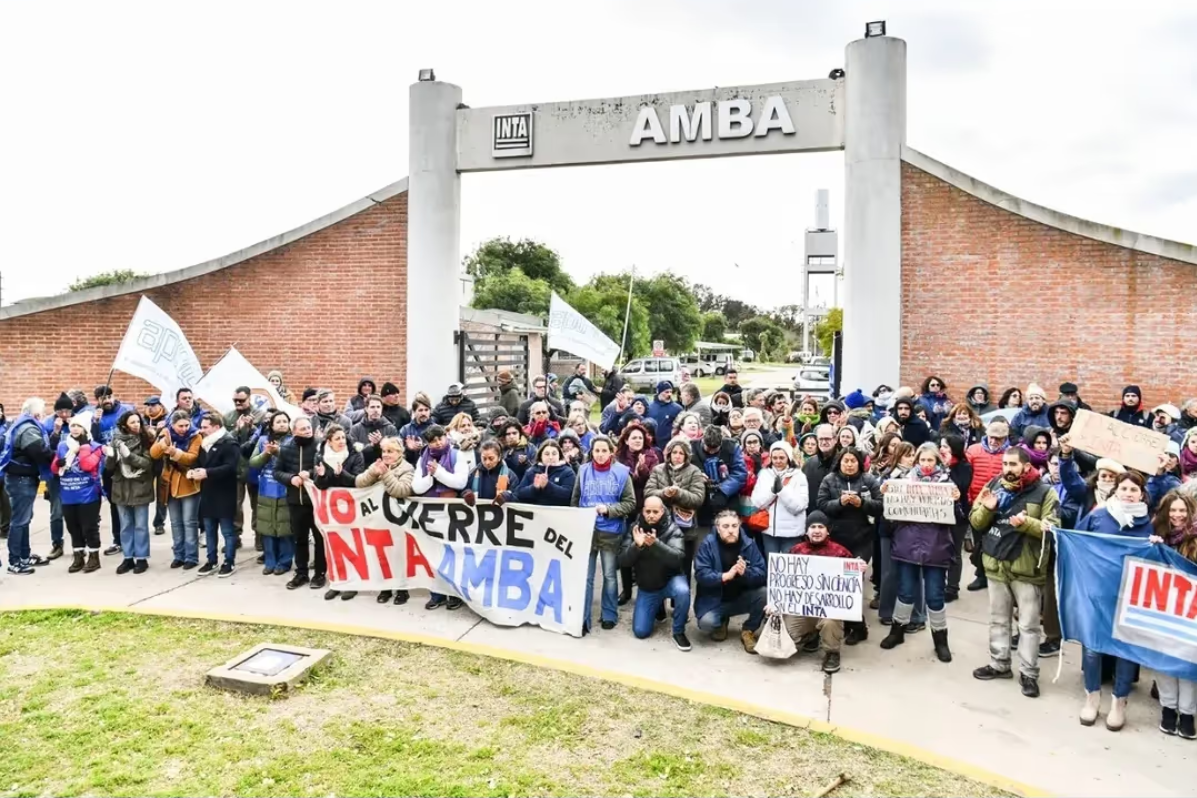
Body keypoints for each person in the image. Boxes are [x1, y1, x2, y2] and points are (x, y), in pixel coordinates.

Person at [970, 446, 1059, 699]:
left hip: (1026, 570)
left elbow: (1053, 528)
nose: (1007, 470)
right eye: (1005, 464)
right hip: (996, 564)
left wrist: (1027, 524)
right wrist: (987, 508)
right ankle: (999, 664)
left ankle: (1029, 673)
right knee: (998, 619)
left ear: (1026, 466)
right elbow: (975, 521)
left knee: (1029, 626)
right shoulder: (994, 484)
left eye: (1013, 465)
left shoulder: (1045, 492)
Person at [1073, 471, 1153, 730]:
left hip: (1131, 597)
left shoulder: (1148, 524)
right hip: (1098, 594)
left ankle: (1119, 701)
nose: (1128, 493)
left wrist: (1156, 546)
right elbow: (1077, 542)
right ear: (1115, 490)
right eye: (1124, 488)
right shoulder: (1098, 516)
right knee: (1093, 648)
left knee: (1125, 649)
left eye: (1134, 490)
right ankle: (1092, 697)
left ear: (1141, 494)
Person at [880, 443, 960, 662]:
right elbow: (889, 514)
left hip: (936, 548)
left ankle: (940, 640)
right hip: (908, 546)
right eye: (922, 460)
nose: (926, 465)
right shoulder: (903, 483)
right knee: (905, 591)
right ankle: (897, 631)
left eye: (930, 461)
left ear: (937, 462)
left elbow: (958, 517)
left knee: (935, 595)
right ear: (916, 462)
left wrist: (956, 500)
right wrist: (886, 494)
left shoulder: (947, 484)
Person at [818, 447, 883, 644]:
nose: (849, 464)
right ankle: (844, 623)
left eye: (852, 461)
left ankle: (858, 627)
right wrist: (839, 502)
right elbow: (821, 504)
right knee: (838, 583)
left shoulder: (869, 480)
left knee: (853, 582)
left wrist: (861, 503)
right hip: (837, 539)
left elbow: (881, 505)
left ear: (859, 463)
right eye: (845, 460)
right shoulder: (829, 479)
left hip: (862, 539)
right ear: (840, 462)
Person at [774, 510, 852, 673]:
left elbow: (852, 584)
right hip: (803, 607)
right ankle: (811, 635)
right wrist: (776, 602)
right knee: (787, 638)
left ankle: (832, 652)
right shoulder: (795, 551)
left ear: (828, 530)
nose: (816, 530)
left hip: (829, 608)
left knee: (830, 622)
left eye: (821, 527)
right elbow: (785, 581)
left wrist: (857, 570)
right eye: (813, 527)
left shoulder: (841, 552)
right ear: (806, 531)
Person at [573, 436, 636, 633]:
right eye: (596, 451)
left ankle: (609, 614)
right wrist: (578, 519)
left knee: (609, 575)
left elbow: (630, 503)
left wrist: (609, 510)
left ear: (611, 451)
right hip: (587, 530)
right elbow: (575, 499)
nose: (599, 455)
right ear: (591, 452)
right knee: (586, 576)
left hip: (610, 531)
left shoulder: (622, 473)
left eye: (603, 450)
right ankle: (582, 617)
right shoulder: (583, 471)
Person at [1151, 491, 1197, 739]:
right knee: (1164, 660)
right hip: (1160, 609)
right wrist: (1152, 549)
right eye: (1173, 510)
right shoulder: (1156, 537)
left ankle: (1188, 714)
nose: (1178, 515)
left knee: (1187, 662)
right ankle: (1168, 710)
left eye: (1182, 511)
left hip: (1190, 612)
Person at [618, 495, 691, 650]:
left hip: (670, 580)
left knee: (683, 591)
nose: (651, 515)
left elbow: (678, 559)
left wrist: (656, 545)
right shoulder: (634, 529)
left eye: (655, 512)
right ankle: (658, 605)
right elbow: (623, 561)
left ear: (663, 511)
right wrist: (636, 547)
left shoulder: (673, 529)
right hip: (648, 586)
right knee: (641, 632)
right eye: (648, 511)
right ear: (643, 511)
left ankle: (679, 631)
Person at [412, 425, 470, 610]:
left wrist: (439, 472)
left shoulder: (456, 455)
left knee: (453, 553)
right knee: (434, 553)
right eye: (433, 441)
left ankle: (454, 594)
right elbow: (417, 487)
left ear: (446, 437)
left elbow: (460, 482)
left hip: (451, 511)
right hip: (430, 510)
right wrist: (430, 476)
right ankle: (436, 593)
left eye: (440, 438)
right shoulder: (423, 458)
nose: (438, 443)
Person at [694, 510, 767, 653]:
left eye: (734, 526)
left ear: (739, 526)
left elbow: (762, 573)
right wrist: (724, 576)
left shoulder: (748, 544)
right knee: (706, 624)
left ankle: (748, 630)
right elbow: (701, 574)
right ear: (717, 528)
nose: (731, 530)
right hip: (716, 600)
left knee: (765, 593)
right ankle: (722, 620)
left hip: (741, 598)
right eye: (725, 526)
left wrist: (745, 573)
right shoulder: (708, 544)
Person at [356, 437, 416, 605]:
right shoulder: (378, 465)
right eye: (384, 451)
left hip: (399, 521)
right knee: (382, 556)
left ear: (399, 453)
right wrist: (373, 473)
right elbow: (359, 482)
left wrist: (386, 473)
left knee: (399, 556)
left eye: (390, 451)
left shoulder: (407, 468)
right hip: (379, 520)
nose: (386, 455)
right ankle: (386, 588)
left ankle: (402, 590)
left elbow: (402, 490)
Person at [645, 438, 707, 581]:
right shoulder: (658, 469)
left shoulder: (694, 471)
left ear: (686, 456)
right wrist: (664, 493)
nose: (677, 456)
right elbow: (648, 493)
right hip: (661, 526)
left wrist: (679, 493)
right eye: (674, 452)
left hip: (685, 528)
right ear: (669, 454)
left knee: (683, 568)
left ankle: (679, 602)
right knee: (660, 569)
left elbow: (698, 499)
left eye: (681, 453)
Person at [274, 416, 324, 591]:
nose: (307, 431)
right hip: (296, 501)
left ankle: (320, 573)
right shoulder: (286, 447)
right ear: (294, 431)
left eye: (308, 428)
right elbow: (277, 472)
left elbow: (324, 467)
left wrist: (309, 473)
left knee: (320, 539)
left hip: (316, 502)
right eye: (303, 429)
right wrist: (292, 478)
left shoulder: (319, 445)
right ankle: (301, 573)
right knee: (299, 539)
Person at [190, 412, 242, 577]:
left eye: (205, 427)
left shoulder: (229, 443)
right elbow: (199, 463)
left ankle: (229, 561)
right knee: (210, 529)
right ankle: (211, 560)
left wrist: (207, 472)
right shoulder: (204, 444)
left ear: (216, 427)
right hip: (208, 492)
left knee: (227, 530)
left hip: (224, 492)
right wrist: (194, 471)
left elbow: (230, 467)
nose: (202, 430)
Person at [964, 418, 1013, 591]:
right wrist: (969, 497)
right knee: (980, 542)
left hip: (1001, 505)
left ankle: (999, 574)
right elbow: (966, 474)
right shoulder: (973, 450)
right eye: (991, 437)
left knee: (997, 540)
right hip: (977, 503)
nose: (993, 441)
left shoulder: (1010, 454)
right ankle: (981, 574)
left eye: (998, 439)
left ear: (1005, 439)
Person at [150, 411, 203, 570]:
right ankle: (179, 555)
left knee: (189, 522)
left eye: (186, 425)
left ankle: (191, 557)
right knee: (175, 523)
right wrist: (162, 444)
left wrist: (174, 452)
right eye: (180, 426)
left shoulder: (196, 436)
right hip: (169, 485)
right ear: (172, 424)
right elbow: (153, 453)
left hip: (189, 484)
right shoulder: (166, 433)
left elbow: (191, 458)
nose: (184, 429)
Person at [51, 415, 104, 573]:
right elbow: (55, 468)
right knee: (73, 527)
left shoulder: (94, 445)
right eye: (72, 425)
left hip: (88, 494)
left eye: (78, 426)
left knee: (89, 527)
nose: (74, 428)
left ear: (85, 429)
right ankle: (78, 556)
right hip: (68, 494)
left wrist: (81, 449)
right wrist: (57, 464)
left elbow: (88, 466)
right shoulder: (62, 445)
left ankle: (94, 557)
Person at [105, 409, 155, 574]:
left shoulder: (146, 439)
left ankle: (141, 558)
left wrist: (128, 456)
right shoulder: (116, 440)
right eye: (132, 422)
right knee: (125, 525)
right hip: (121, 486)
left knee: (140, 525)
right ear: (124, 425)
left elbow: (147, 464)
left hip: (140, 485)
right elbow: (109, 468)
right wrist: (111, 456)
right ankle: (128, 557)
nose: (136, 425)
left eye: (138, 421)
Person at [248, 411, 294, 578]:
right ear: (272, 425)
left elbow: (294, 462)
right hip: (267, 489)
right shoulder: (262, 440)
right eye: (278, 421)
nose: (282, 424)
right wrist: (266, 453)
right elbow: (253, 462)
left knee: (284, 527)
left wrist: (278, 452)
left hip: (286, 489)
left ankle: (285, 562)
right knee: (267, 527)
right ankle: (270, 562)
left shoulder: (293, 441)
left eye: (285, 421)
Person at [93, 386, 137, 555]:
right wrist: (95, 423)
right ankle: (118, 540)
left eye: (109, 396)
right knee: (115, 505)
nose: (107, 400)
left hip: (129, 464)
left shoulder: (126, 410)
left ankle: (135, 539)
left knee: (133, 503)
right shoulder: (96, 416)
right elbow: (94, 440)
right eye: (103, 398)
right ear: (97, 400)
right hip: (109, 467)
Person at [223, 386, 267, 552]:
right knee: (234, 503)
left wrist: (253, 428)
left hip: (255, 465)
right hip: (235, 465)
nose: (238, 403)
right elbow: (225, 440)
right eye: (235, 400)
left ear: (249, 399)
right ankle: (235, 536)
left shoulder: (261, 415)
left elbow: (264, 438)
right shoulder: (228, 417)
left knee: (258, 504)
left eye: (241, 400)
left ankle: (260, 537)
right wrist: (237, 428)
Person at [749, 441, 810, 557]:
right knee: (771, 567)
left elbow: (800, 506)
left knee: (789, 568)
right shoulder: (764, 474)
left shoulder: (799, 476)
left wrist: (782, 491)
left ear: (788, 457)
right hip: (769, 531)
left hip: (792, 532)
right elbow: (756, 502)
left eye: (782, 457)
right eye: (775, 458)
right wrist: (772, 492)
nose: (778, 461)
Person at [939, 434, 974, 603]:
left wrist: (948, 469)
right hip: (939, 513)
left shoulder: (964, 466)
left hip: (957, 516)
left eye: (945, 446)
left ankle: (952, 588)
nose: (941, 449)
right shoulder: (938, 464)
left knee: (954, 551)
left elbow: (961, 486)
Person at [514, 440, 576, 506]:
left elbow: (569, 495)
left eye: (554, 454)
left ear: (559, 455)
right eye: (547, 454)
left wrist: (548, 486)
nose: (550, 457)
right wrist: (534, 488)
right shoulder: (531, 471)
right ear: (541, 456)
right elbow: (519, 493)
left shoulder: (568, 472)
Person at [349, 395, 399, 468]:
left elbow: (395, 453)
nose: (376, 410)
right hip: (362, 470)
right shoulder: (355, 429)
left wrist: (380, 443)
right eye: (372, 407)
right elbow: (353, 454)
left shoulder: (391, 429)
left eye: (378, 407)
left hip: (385, 470)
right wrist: (371, 446)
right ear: (366, 409)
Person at [802, 424, 839, 512]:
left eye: (827, 439)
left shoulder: (844, 463)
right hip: (813, 518)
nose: (824, 442)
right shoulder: (809, 464)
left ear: (835, 439)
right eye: (821, 439)